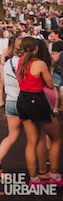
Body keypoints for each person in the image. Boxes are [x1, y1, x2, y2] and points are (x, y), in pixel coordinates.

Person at [16, 37, 62, 187]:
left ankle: (34, 179)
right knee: (56, 138)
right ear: (36, 48)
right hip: (37, 101)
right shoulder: (39, 63)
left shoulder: (20, 61)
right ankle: (54, 175)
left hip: (22, 100)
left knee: (31, 141)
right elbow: (50, 84)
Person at [0, 37, 23, 176]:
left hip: (11, 100)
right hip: (23, 101)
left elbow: (3, 81)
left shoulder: (8, 62)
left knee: (12, 135)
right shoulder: (23, 63)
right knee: (37, 137)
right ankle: (42, 170)